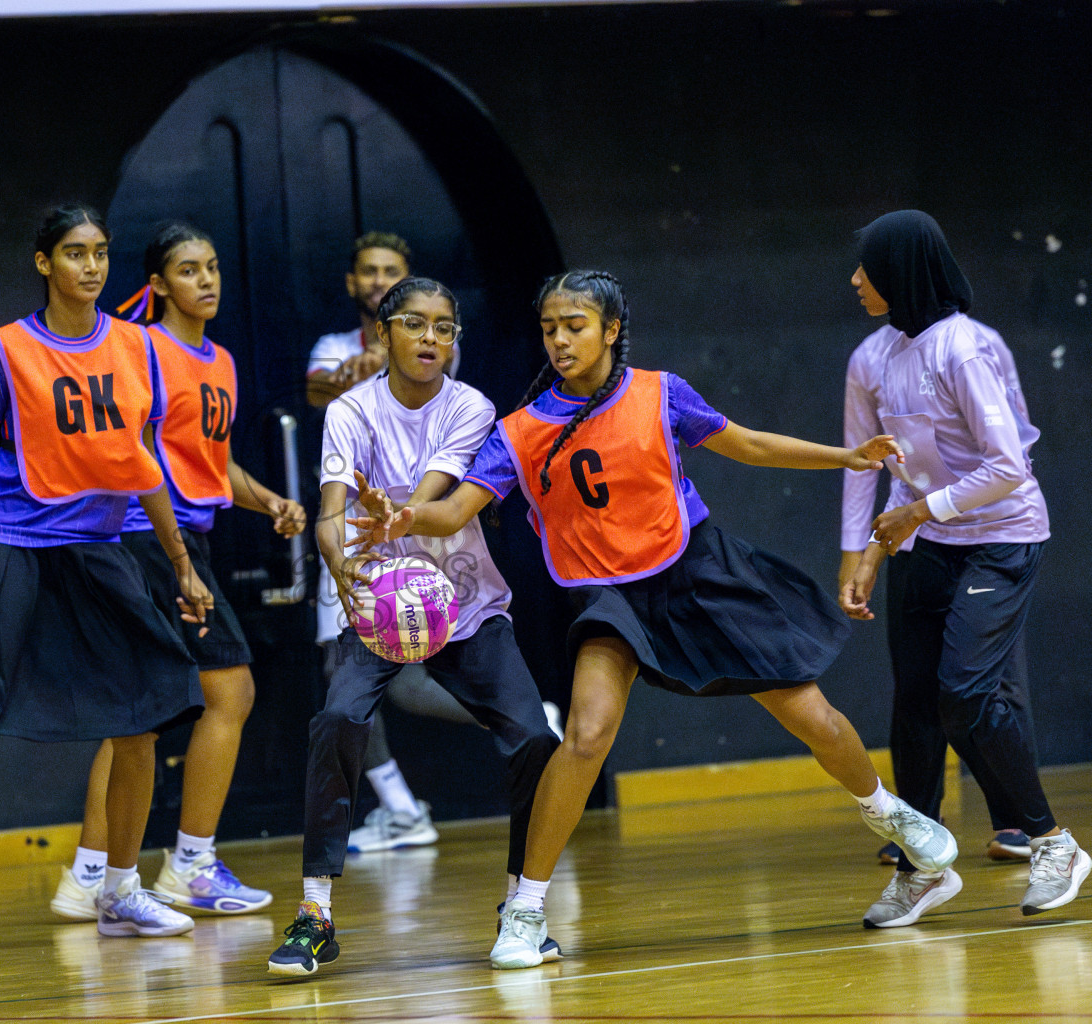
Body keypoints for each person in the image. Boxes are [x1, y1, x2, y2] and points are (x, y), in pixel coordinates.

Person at [350, 269, 960, 969]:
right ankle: (524, 910)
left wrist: (846, 457)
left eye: (574, 325)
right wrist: (403, 514)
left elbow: (750, 444)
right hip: (609, 600)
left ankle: (894, 816)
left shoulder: (661, 393)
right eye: (549, 328)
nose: (559, 340)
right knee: (583, 736)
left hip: (697, 572)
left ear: (611, 329)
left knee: (808, 714)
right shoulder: (518, 432)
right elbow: (455, 508)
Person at [0, 205, 210, 965]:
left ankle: (118, 888)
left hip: (101, 548)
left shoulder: (137, 347)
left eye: (101, 253)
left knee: (144, 718)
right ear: (44, 263)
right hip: (13, 545)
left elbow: (144, 458)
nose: (91, 266)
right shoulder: (8, 350)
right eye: (75, 253)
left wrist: (179, 560)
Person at [266, 277, 561, 976]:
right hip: (379, 601)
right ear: (383, 333)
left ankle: (522, 905)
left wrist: (398, 514)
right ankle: (315, 915)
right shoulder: (349, 411)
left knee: (533, 738)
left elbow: (436, 489)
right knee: (336, 719)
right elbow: (332, 510)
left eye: (445, 328)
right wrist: (339, 563)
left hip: (464, 604)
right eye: (416, 324)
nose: (432, 339)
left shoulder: (471, 405)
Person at [50, 222, 307, 923]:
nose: (207, 280)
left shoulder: (218, 361)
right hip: (145, 541)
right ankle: (189, 864)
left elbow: (211, 463)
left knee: (141, 715)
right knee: (230, 692)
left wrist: (270, 502)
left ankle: (89, 874)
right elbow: (128, 448)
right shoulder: (143, 350)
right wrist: (173, 556)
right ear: (158, 284)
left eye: (213, 266)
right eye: (189, 270)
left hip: (192, 538)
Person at [839, 209, 1087, 925]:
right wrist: (865, 553)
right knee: (916, 701)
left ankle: (1051, 843)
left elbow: (1009, 467)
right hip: (925, 545)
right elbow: (873, 464)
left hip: (1000, 541)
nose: (856, 280)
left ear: (904, 273)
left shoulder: (965, 349)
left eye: (869, 267)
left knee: (966, 692)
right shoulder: (875, 357)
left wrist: (917, 512)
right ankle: (922, 867)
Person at [303, 232, 494, 855]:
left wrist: (364, 373)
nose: (379, 278)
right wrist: (350, 376)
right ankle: (404, 808)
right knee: (348, 671)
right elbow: (317, 390)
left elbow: (410, 381)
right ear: (353, 284)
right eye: (369, 270)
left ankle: (522, 715)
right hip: (354, 532)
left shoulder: (434, 347)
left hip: (423, 530)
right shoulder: (333, 347)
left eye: (392, 270)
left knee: (423, 668)